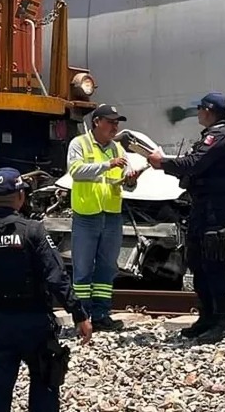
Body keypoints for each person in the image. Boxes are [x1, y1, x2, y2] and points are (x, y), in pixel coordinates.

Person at [0, 167, 93, 412]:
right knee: (45, 385)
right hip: (34, 322)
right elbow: (57, 276)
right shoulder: (32, 231)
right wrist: (79, 314)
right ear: (21, 196)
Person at [146, 92, 225, 344]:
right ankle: (207, 318)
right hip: (203, 205)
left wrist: (163, 163)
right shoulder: (217, 135)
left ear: (209, 110)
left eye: (201, 109)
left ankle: (222, 322)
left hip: (215, 206)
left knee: (214, 263)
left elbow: (194, 163)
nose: (198, 113)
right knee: (198, 261)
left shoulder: (220, 136)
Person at [66, 104, 139, 331]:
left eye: (117, 122)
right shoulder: (79, 144)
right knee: (83, 268)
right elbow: (75, 171)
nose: (115, 126)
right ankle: (82, 316)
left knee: (107, 268)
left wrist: (131, 180)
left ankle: (101, 314)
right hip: (86, 215)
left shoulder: (118, 149)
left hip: (111, 215)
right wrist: (107, 164)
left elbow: (127, 183)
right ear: (97, 122)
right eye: (111, 122)